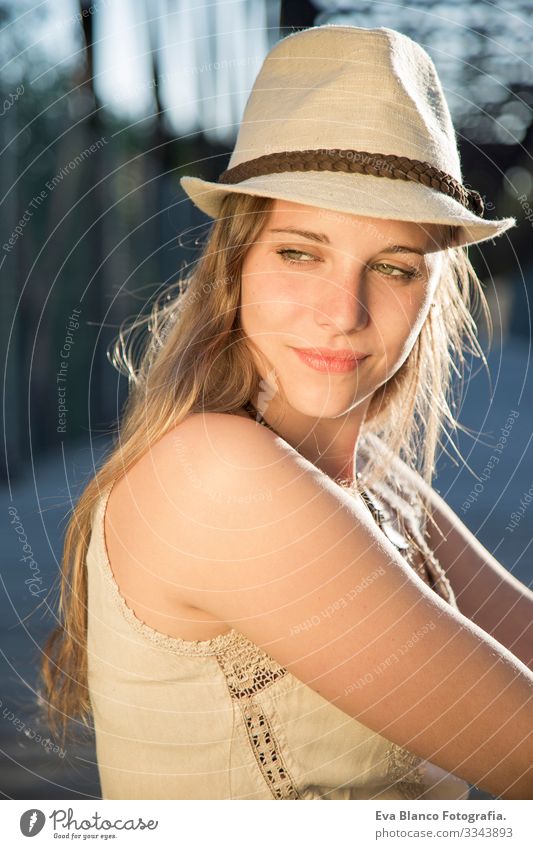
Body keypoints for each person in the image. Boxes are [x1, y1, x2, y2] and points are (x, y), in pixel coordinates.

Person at [41, 24, 533, 801]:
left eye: (394, 267)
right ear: (235, 263)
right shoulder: (214, 475)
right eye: (299, 252)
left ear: (433, 294)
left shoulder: (376, 479)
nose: (341, 312)